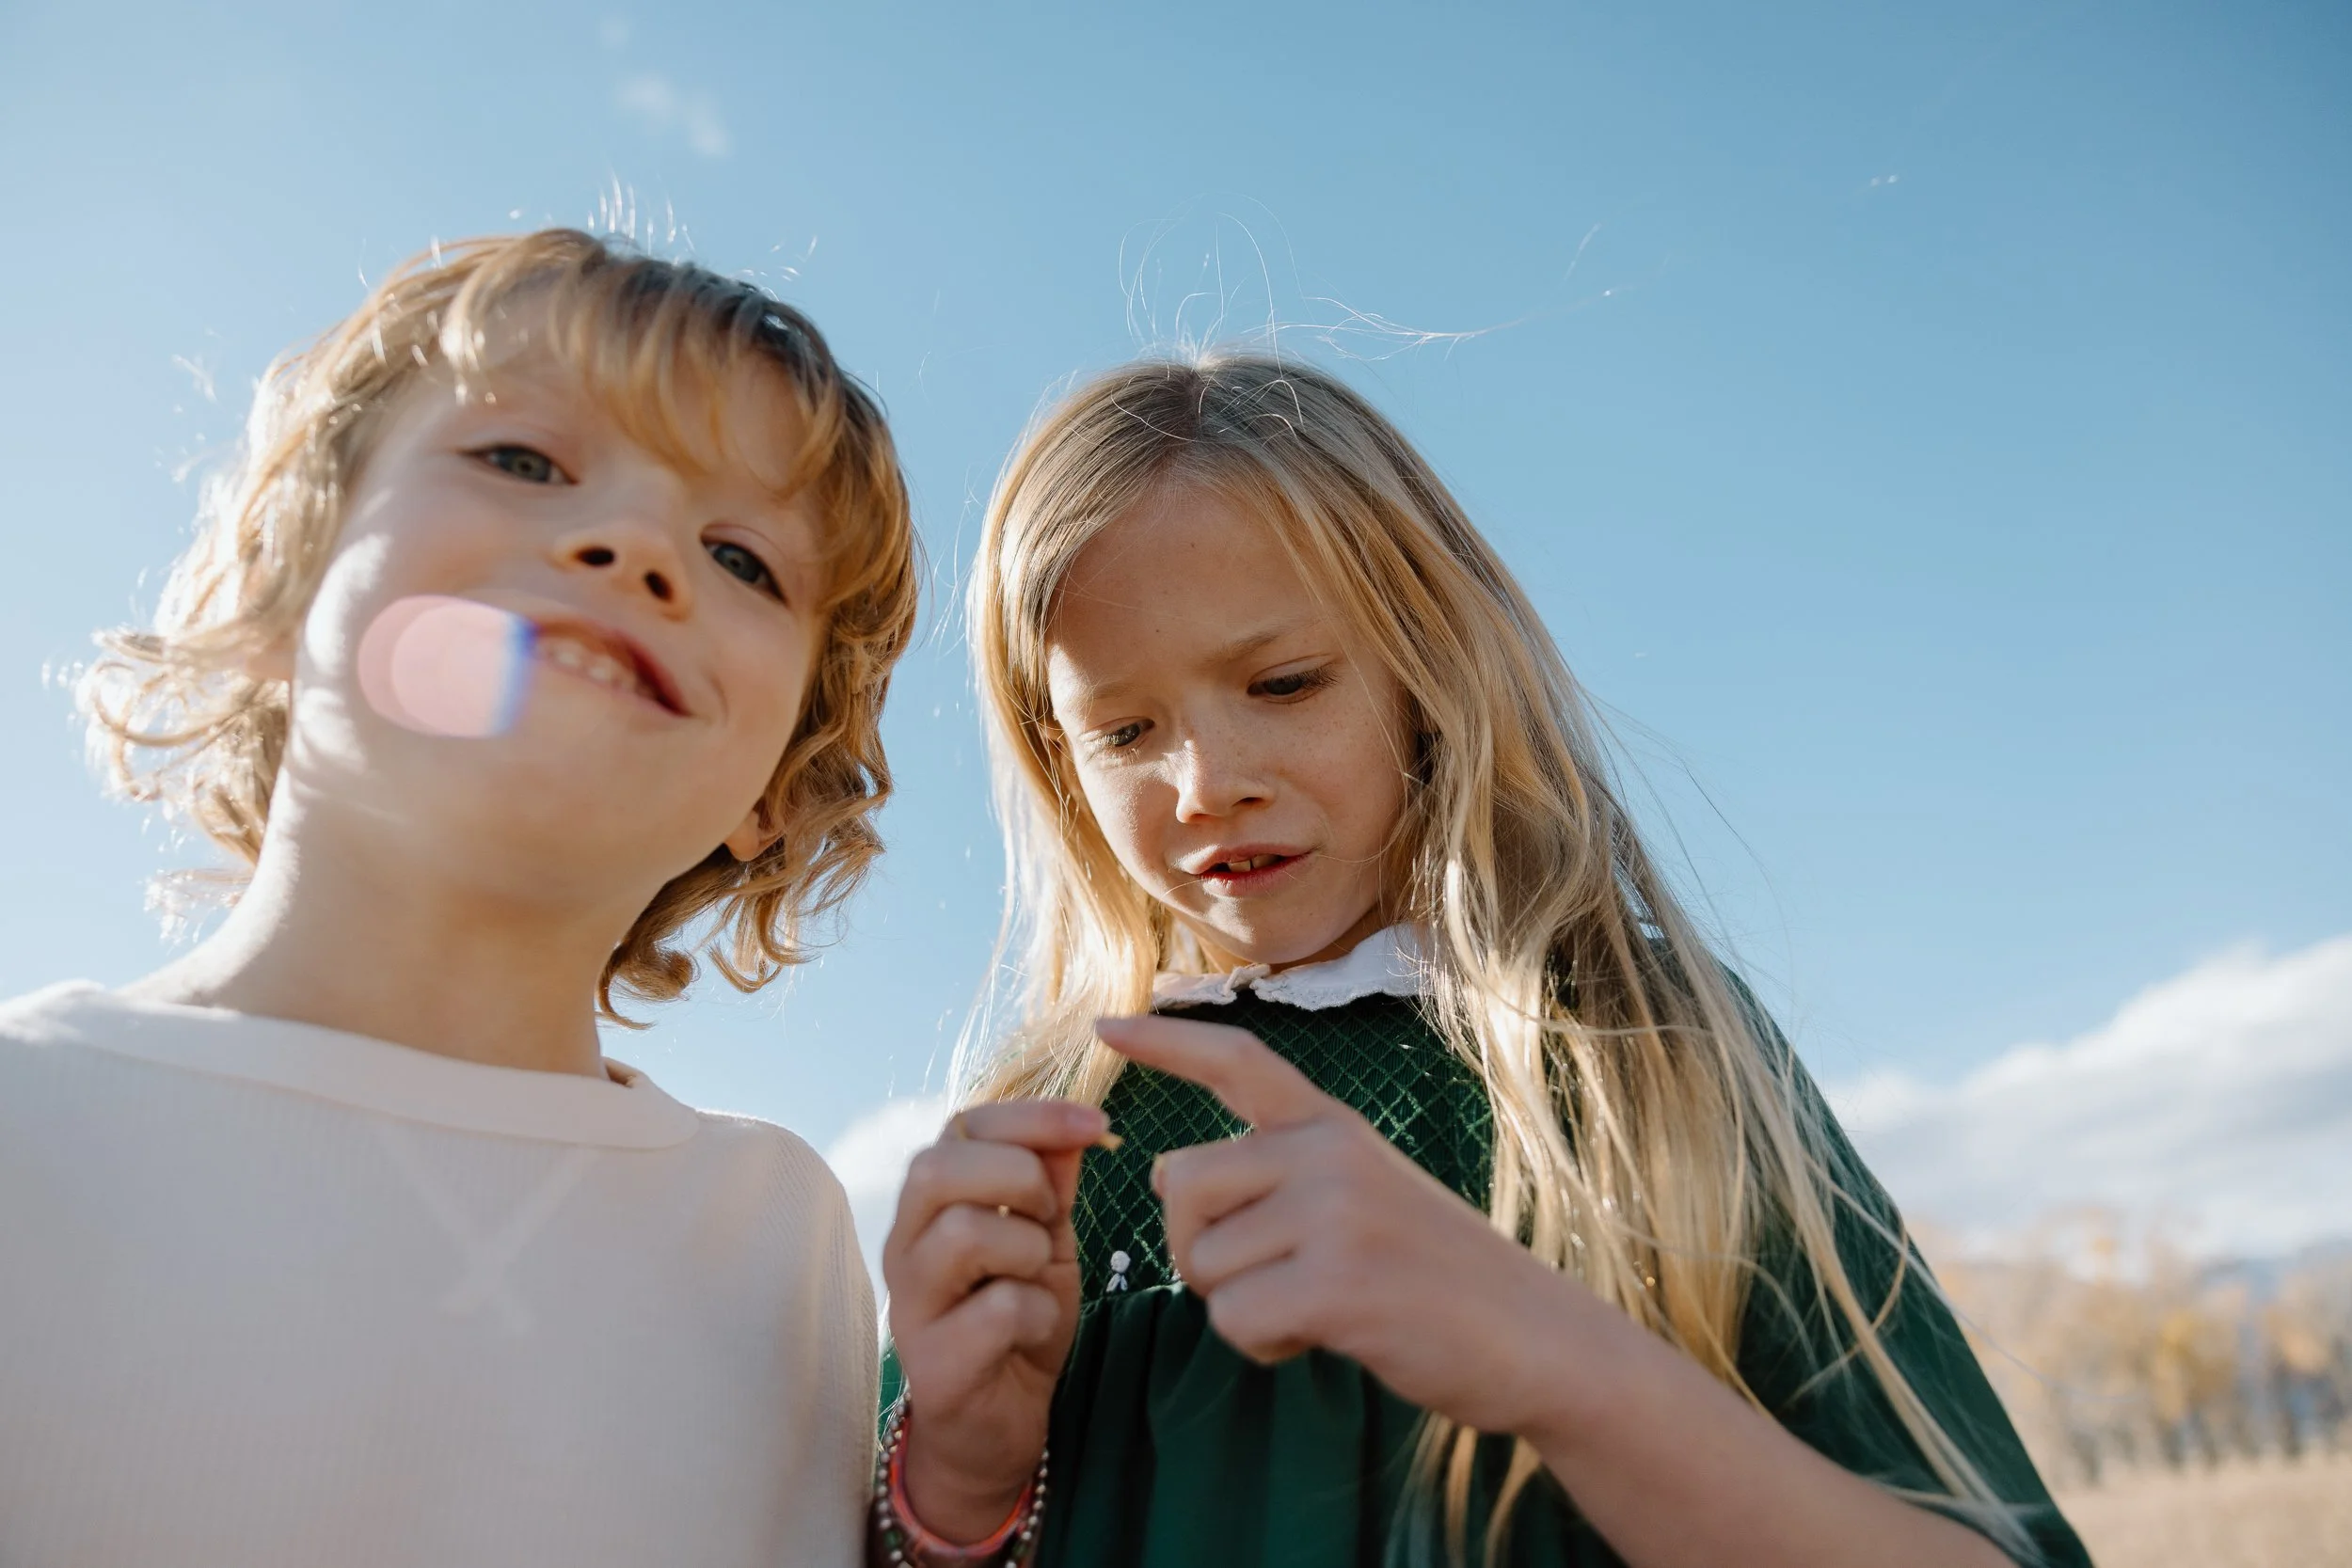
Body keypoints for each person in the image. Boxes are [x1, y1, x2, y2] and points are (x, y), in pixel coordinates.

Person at [874, 354, 2089, 1567]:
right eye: (1124, 730)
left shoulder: (1643, 1052)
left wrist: (1556, 1358)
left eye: (1285, 682)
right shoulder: (1041, 1138)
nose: (1206, 784)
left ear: (1428, 662)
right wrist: (961, 1482)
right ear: (1056, 758)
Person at [0, 229, 917, 1568]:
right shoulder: (36, 1120)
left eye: (742, 558)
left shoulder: (782, 1239)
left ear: (772, 790)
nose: (636, 546)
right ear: (287, 575)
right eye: (525, 463)